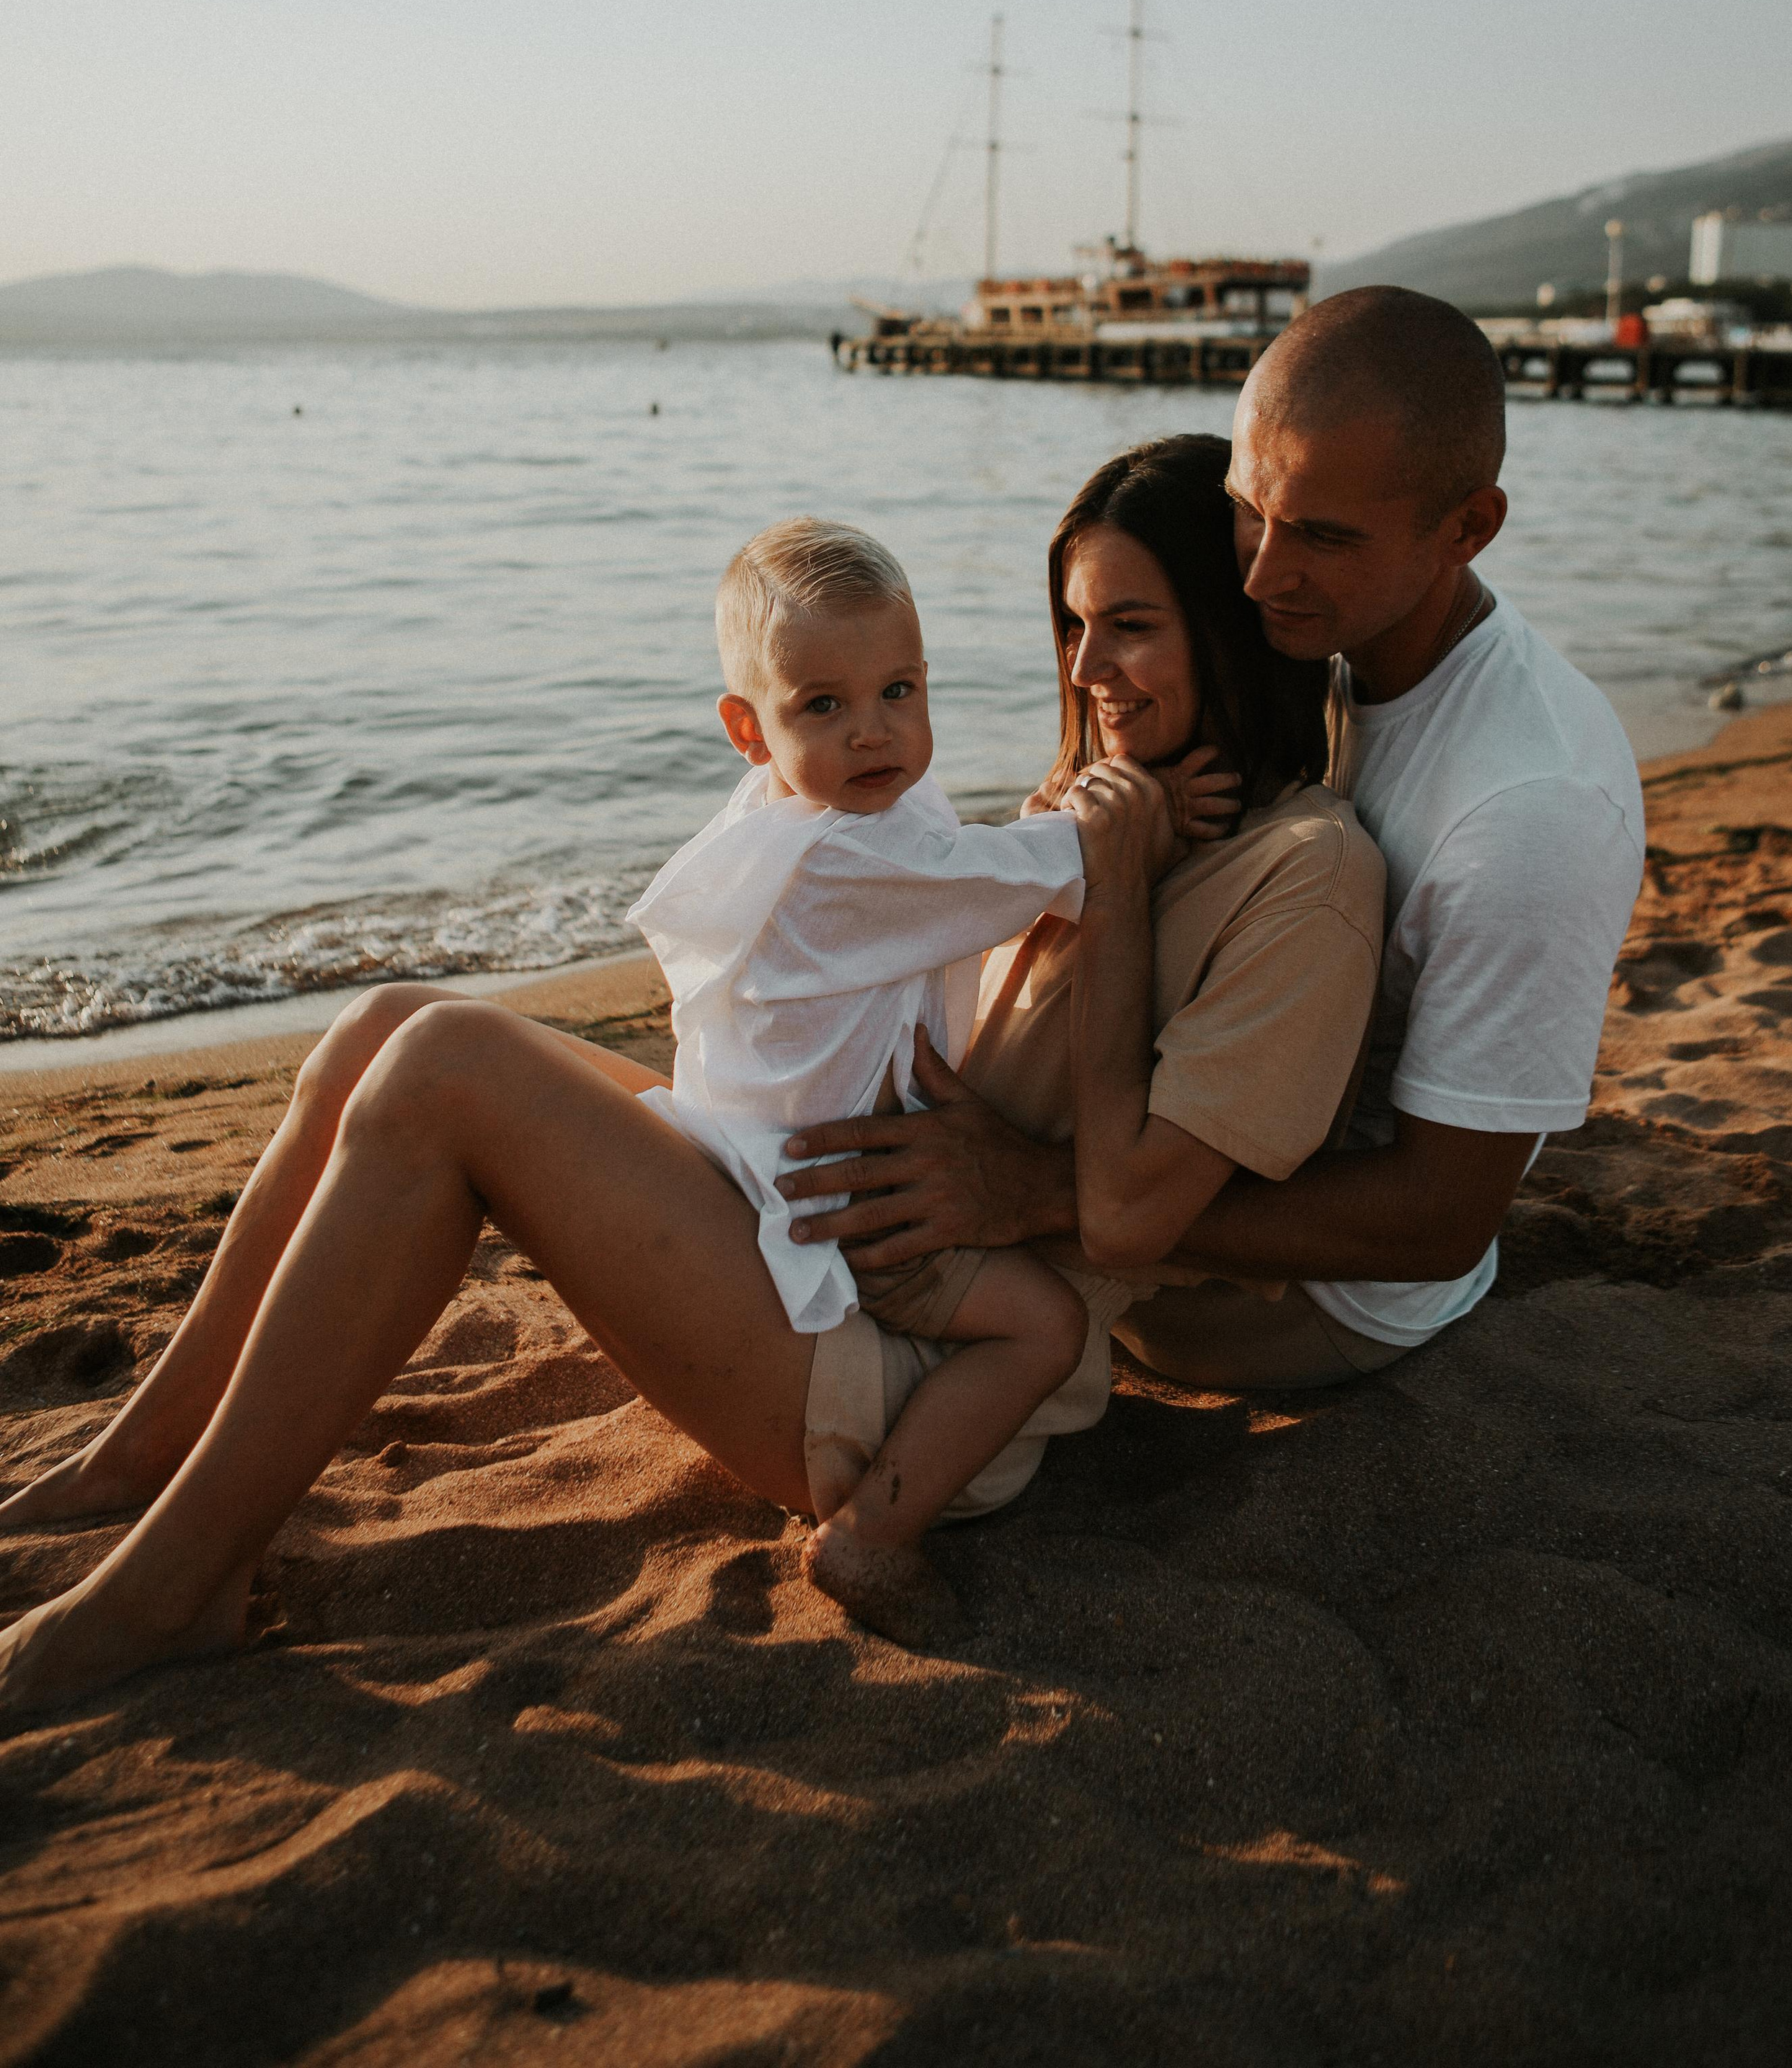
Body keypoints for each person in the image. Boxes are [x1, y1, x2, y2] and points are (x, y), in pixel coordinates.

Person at [1, 434, 1345, 1716]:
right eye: (1072, 625)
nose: (1089, 667)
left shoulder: (1280, 867)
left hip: (907, 1365)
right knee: (388, 1021)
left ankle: (180, 1587)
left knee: (447, 1067)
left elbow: (1137, 1209)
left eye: (1134, 625)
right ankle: (152, 1450)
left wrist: (1039, 1100)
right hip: (821, 1214)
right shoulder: (1096, 806)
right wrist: (1103, 834)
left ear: (1226, 627)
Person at [781, 293, 1646, 1393]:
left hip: (1291, 1304)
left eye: (1322, 537)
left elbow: (1438, 1224)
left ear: (1467, 529)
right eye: (1250, 508)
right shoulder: (1316, 647)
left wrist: (1037, 1188)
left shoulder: (1531, 810)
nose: (1258, 575)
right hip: (1146, 1202)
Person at [629, 512, 1227, 1645]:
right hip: (853, 1211)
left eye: (901, 690)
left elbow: (957, 864)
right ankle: (875, 1531)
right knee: (1043, 1330)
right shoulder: (838, 855)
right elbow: (1025, 876)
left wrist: (1037, 820)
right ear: (748, 729)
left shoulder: (803, 819)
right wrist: (1143, 819)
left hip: (767, 1160)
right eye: (825, 706)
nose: (875, 733)